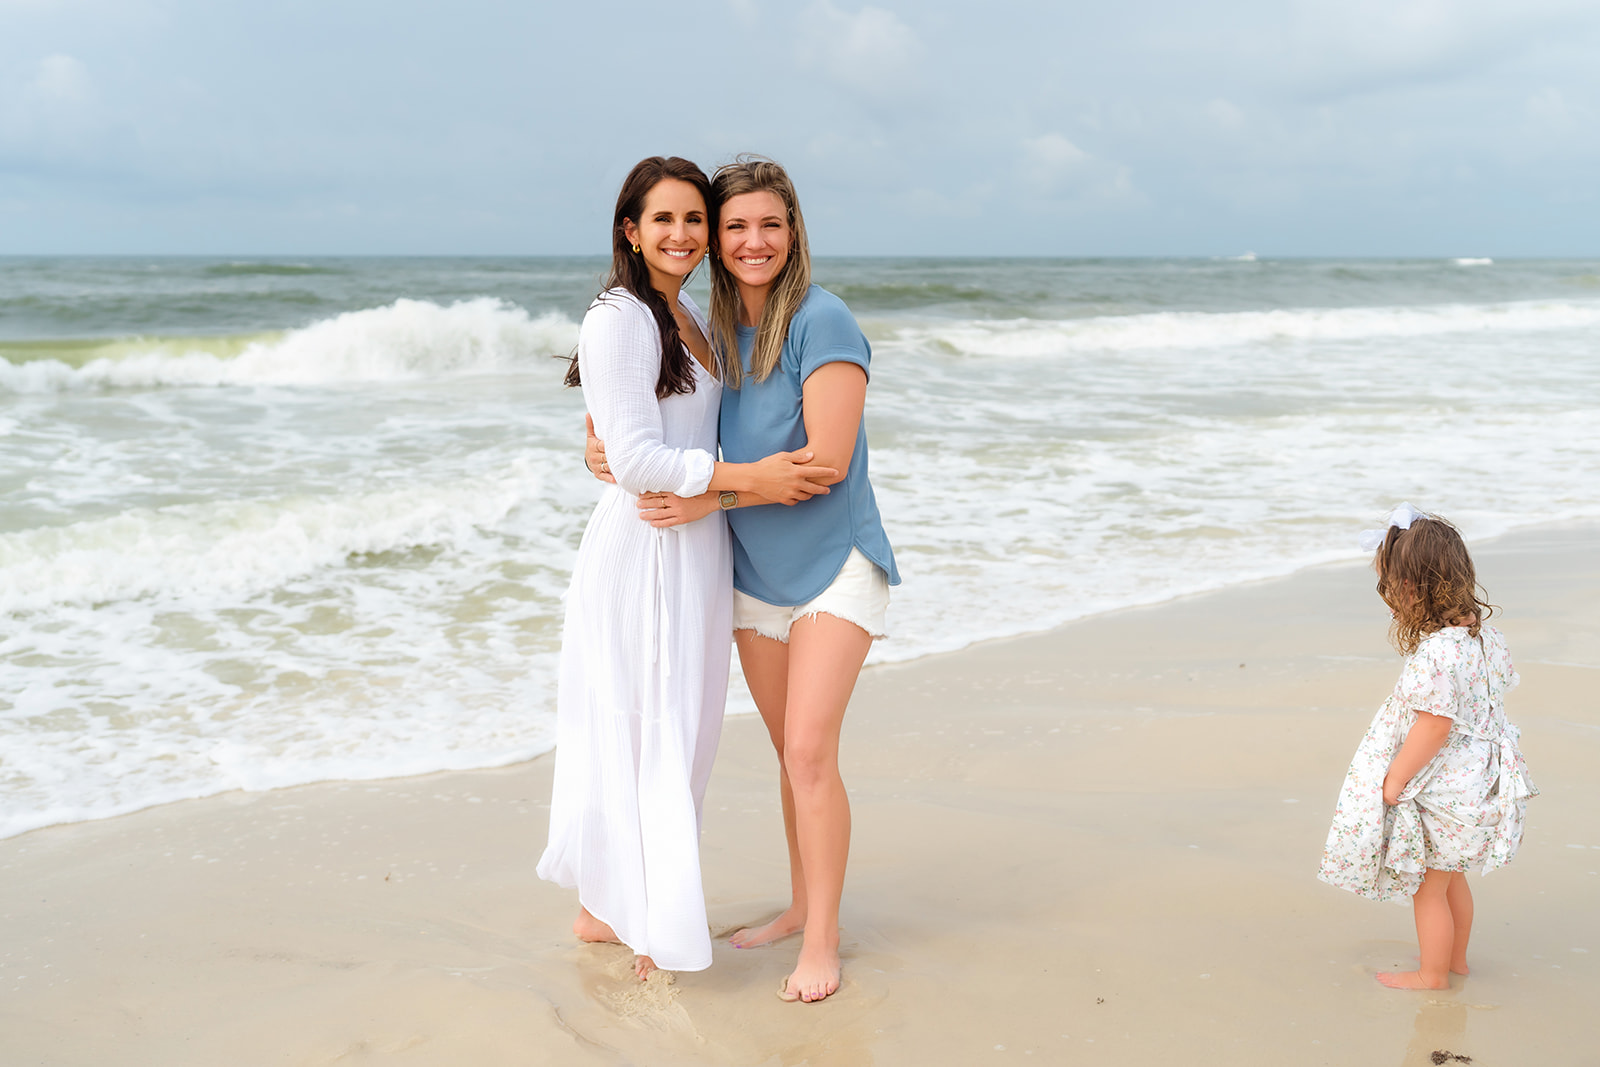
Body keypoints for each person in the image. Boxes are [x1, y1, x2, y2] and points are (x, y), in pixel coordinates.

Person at [591, 156, 900, 1003]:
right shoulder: (709, 329)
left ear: (793, 232)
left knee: (808, 750)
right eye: (735, 227)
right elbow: (645, 424)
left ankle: (824, 941)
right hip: (754, 573)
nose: (751, 241)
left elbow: (825, 462)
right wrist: (606, 452)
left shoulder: (822, 320)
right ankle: (801, 903)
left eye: (770, 224)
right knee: (791, 755)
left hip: (835, 565)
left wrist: (706, 497)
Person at [537, 156, 835, 980]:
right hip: (650, 548)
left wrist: (717, 488)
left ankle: (610, 906)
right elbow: (634, 458)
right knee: (650, 729)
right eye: (662, 219)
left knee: (680, 731)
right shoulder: (622, 315)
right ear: (630, 230)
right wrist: (750, 481)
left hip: (697, 541)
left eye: (694, 219)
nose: (683, 234)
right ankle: (645, 926)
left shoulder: (685, 315)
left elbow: (650, 435)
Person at [1318, 503, 1537, 990]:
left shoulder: (1438, 651)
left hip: (1446, 791)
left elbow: (1434, 725)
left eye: (1391, 586)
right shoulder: (1484, 638)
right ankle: (1455, 960)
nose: (1389, 597)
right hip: (1477, 783)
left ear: (1413, 588)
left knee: (1427, 888)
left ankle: (1433, 975)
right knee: (1451, 876)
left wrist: (1395, 777)